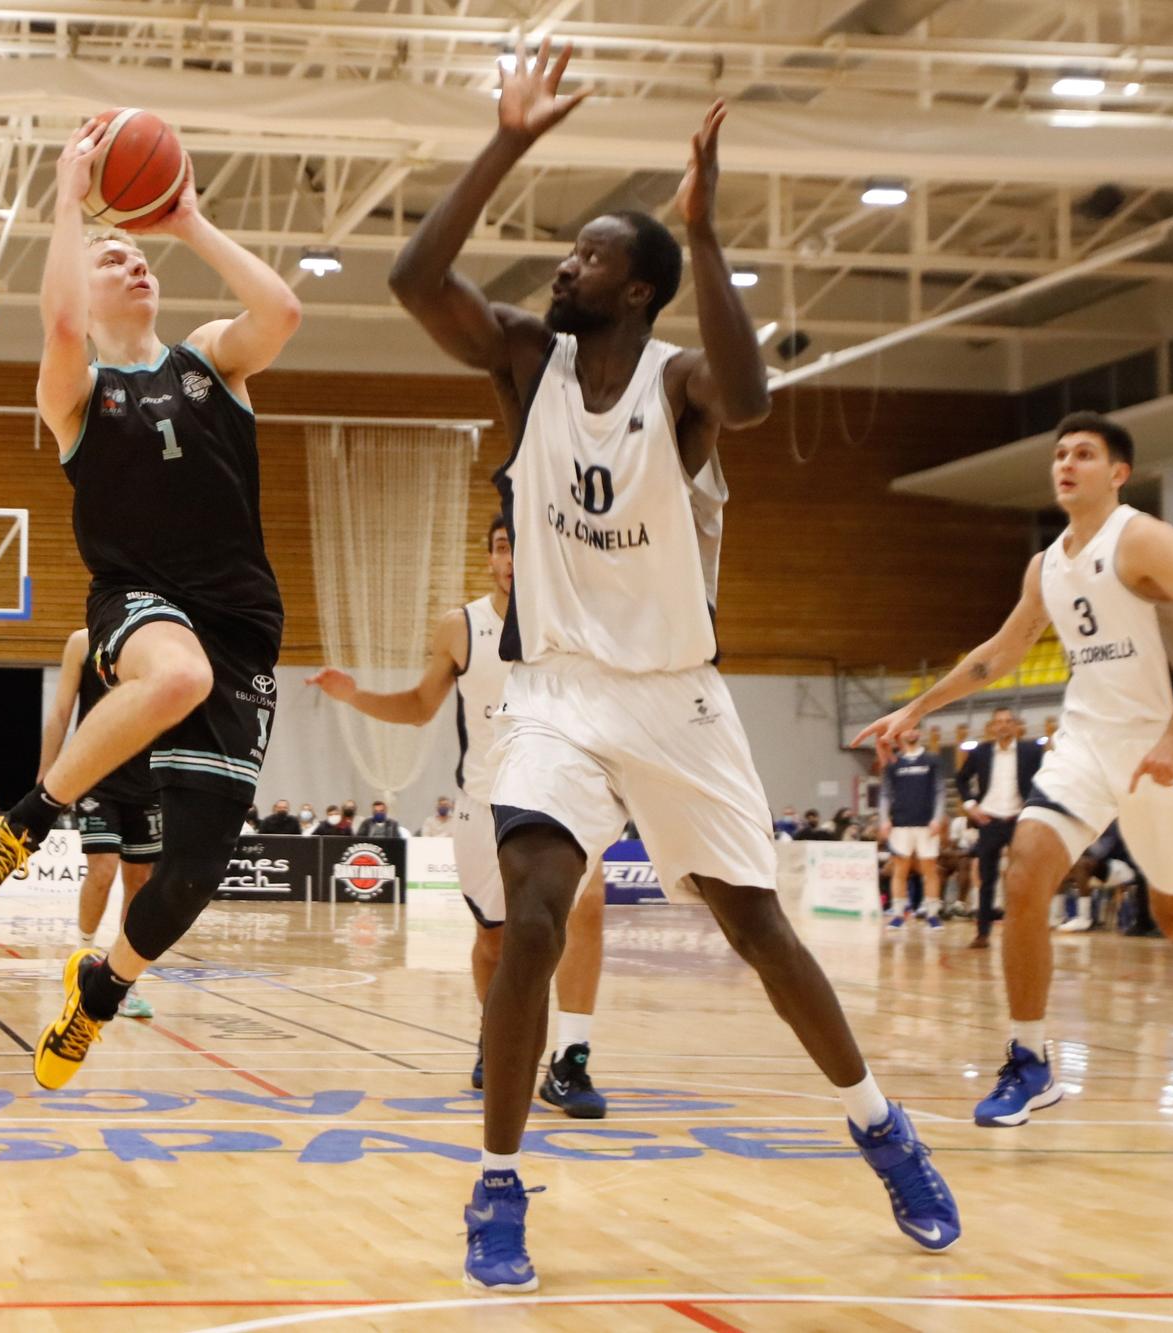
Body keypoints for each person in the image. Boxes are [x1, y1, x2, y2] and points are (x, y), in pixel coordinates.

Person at [392, 50, 959, 1290]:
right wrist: (504, 143)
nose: (563, 266)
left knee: (759, 930)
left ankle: (880, 1126)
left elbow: (750, 397)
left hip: (675, 697)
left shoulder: (678, 382)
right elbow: (411, 276)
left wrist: (705, 235)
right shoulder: (525, 364)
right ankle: (495, 1187)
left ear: (639, 285)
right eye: (568, 254)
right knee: (534, 915)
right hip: (552, 695)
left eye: (590, 257)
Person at [0, 110, 301, 1095]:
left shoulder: (208, 359)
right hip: (138, 598)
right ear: (85, 292)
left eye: (137, 253)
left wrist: (185, 219)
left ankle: (97, 990)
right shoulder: (77, 389)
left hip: (243, 623)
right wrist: (66, 197)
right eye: (109, 256)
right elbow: (56, 322)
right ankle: (22, 821)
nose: (129, 262)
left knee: (189, 874)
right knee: (173, 670)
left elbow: (281, 316)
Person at [859, 409, 1173, 1130]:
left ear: (1118, 472)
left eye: (1084, 453)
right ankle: (1031, 1059)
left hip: (1168, 751)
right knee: (1024, 868)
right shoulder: (1048, 563)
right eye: (1060, 454)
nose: (1066, 463)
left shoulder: (1142, 538)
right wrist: (916, 708)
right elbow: (1000, 652)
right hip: (1085, 743)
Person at [308, 513, 612, 1116]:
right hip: (486, 802)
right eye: (502, 547)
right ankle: (491, 1031)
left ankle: (571, 1061)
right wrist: (355, 695)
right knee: (495, 942)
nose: (511, 559)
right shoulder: (462, 628)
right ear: (491, 556)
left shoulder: (578, 620)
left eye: (522, 548)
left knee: (589, 912)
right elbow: (422, 707)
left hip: (566, 794)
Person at [42, 626, 163, 1020]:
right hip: (97, 775)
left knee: (140, 881)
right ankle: (82, 958)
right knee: (102, 870)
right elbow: (61, 711)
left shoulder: (159, 638)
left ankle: (122, 980)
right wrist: (46, 774)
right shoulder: (80, 641)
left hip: (147, 781)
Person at [955, 708, 1042, 951]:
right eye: (998, 722)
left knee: (1024, 878)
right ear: (991, 727)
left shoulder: (1031, 751)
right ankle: (982, 933)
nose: (1003, 726)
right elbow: (961, 779)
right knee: (987, 879)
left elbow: (1045, 779)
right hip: (989, 820)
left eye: (1008, 721)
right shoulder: (981, 752)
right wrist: (971, 806)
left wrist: (1033, 807)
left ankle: (1024, 932)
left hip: (1019, 820)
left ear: (1016, 726)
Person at [880, 739, 945, 930]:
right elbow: (885, 793)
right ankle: (899, 914)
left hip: (926, 823)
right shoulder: (893, 763)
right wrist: (884, 819)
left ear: (919, 731)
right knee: (900, 871)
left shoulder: (932, 760)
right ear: (900, 735)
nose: (910, 731)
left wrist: (937, 818)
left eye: (914, 727)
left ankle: (932, 915)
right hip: (900, 824)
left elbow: (940, 791)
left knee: (930, 870)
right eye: (907, 729)